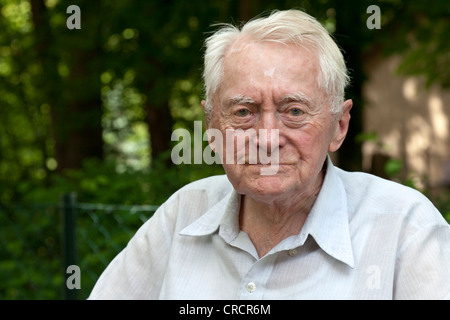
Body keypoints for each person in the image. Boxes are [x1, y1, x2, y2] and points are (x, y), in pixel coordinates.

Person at [89, 9, 450, 299]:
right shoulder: (183, 215)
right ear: (212, 127)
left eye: (294, 111)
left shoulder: (407, 229)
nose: (266, 138)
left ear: (338, 126)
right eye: (243, 112)